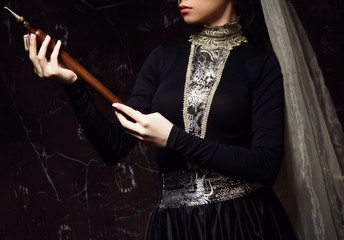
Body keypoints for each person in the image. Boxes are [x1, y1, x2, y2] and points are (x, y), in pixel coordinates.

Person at [28, 0, 298, 239]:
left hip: (243, 223)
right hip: (175, 227)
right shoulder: (163, 57)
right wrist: (72, 84)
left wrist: (173, 138)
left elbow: (266, 165)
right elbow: (114, 148)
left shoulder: (260, 63)